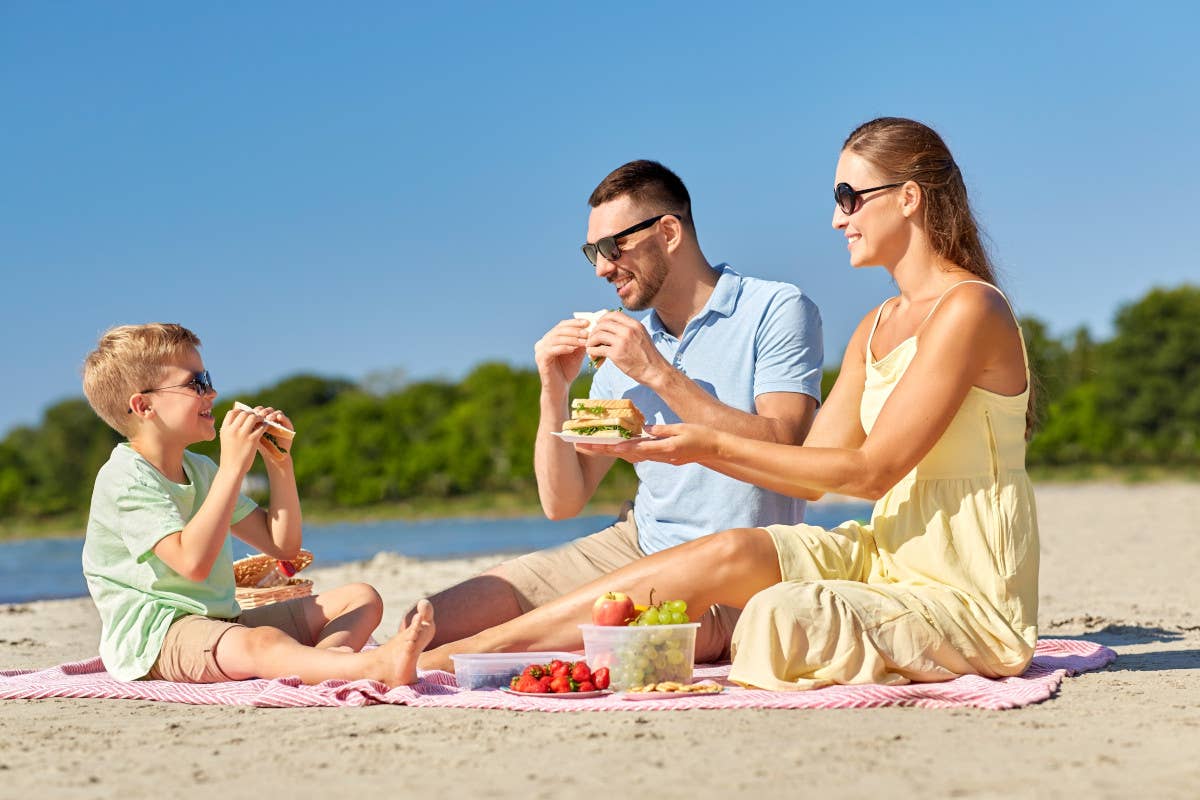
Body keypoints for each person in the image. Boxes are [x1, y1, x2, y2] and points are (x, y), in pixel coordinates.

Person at [418, 118, 1039, 691]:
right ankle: (429, 659)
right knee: (722, 556)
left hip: (961, 588)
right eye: (835, 200)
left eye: (849, 198)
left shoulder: (968, 309)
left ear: (908, 198)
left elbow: (870, 471)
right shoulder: (875, 325)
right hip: (873, 559)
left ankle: (440, 663)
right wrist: (567, 393)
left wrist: (703, 439)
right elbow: (816, 471)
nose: (835, 218)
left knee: (769, 614)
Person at [414, 160, 824, 660]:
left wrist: (657, 372)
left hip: (735, 575)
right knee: (431, 621)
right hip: (637, 544)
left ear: (669, 231)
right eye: (592, 252)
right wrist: (554, 388)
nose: (601, 268)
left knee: (593, 639)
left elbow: (786, 447)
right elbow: (562, 502)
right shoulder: (623, 349)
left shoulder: (776, 308)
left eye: (612, 247)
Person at [80, 323, 435, 687]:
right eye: (196, 383)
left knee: (362, 598)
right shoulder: (125, 478)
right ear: (144, 405)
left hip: (221, 623)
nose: (212, 392)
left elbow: (282, 545)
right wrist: (233, 467)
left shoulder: (200, 469)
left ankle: (331, 665)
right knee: (263, 642)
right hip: (159, 636)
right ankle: (366, 667)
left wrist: (280, 464)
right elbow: (193, 564)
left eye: (208, 379)